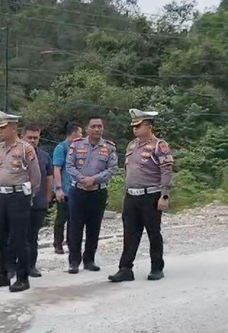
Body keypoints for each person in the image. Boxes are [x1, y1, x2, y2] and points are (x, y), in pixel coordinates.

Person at [109, 109, 174, 283]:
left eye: (139, 126)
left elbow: (166, 170)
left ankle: (156, 267)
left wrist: (164, 195)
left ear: (149, 126)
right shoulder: (132, 145)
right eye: (134, 126)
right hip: (131, 196)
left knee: (153, 232)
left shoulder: (159, 145)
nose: (135, 130)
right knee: (129, 233)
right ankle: (125, 269)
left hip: (151, 195)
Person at [0, 111, 41, 292]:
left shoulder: (26, 148)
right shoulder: (0, 148)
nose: (0, 131)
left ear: (14, 128)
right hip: (2, 196)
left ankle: (22, 278)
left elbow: (35, 176)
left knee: (20, 238)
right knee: (0, 237)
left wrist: (28, 195)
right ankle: (2, 274)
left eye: (3, 127)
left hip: (19, 196)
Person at [65, 116, 117, 274]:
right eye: (93, 126)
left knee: (94, 227)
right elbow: (69, 165)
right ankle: (74, 262)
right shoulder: (76, 145)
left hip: (98, 192)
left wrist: (93, 179)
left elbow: (112, 169)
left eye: (99, 126)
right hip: (78, 191)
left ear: (103, 129)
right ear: (87, 128)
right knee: (75, 227)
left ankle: (90, 260)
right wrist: (82, 179)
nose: (96, 129)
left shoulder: (109, 147)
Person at [23, 124, 53, 278]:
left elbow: (49, 177)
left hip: (38, 201)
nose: (33, 140)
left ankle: (31, 266)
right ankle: (14, 265)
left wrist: (47, 198)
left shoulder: (44, 156)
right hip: (19, 202)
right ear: (23, 137)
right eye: (30, 138)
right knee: (17, 235)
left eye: (36, 138)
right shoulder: (17, 154)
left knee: (33, 236)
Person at [52, 122, 83, 255]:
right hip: (65, 189)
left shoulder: (80, 148)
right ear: (74, 133)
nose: (82, 135)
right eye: (80, 132)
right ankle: (58, 243)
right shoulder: (62, 148)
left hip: (77, 190)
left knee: (74, 220)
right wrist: (59, 188)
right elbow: (57, 168)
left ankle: (72, 244)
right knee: (61, 218)